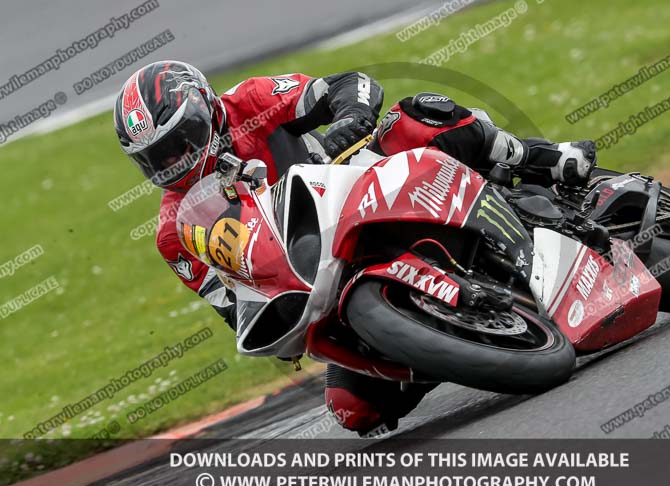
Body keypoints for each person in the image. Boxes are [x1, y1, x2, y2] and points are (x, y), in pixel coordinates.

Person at [112, 60, 596, 437]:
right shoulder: (175, 233)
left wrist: (351, 117)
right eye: (156, 159)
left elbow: (350, 84)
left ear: (206, 111)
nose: (174, 162)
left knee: (414, 119)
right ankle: (448, 338)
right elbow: (229, 303)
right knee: (353, 411)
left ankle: (545, 158)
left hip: (355, 189)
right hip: (324, 280)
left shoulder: (250, 101)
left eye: (179, 143)